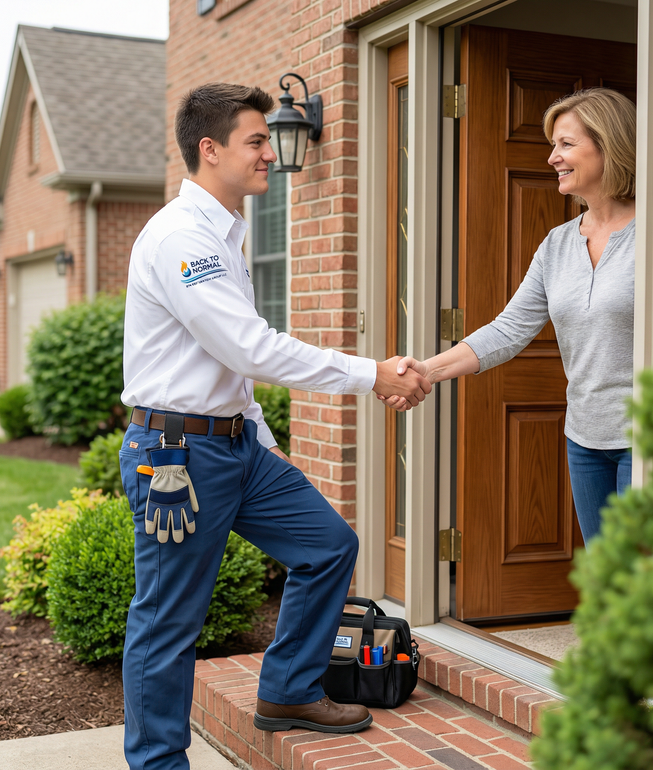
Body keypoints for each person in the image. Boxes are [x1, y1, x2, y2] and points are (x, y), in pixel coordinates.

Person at [119, 82, 431, 770]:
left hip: (233, 445)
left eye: (268, 140)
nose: (269, 155)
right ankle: (157, 762)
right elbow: (248, 347)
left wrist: (257, 432)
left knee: (328, 546)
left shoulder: (225, 233)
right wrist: (372, 373)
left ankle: (289, 688)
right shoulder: (181, 237)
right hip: (178, 458)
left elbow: (228, 367)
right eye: (256, 142)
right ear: (211, 149)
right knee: (168, 623)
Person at [387, 87, 636, 545]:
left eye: (565, 144)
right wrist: (427, 370)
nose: (552, 158)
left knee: (651, 581)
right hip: (584, 438)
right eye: (552, 146)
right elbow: (510, 328)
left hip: (651, 437)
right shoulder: (558, 244)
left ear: (609, 144)